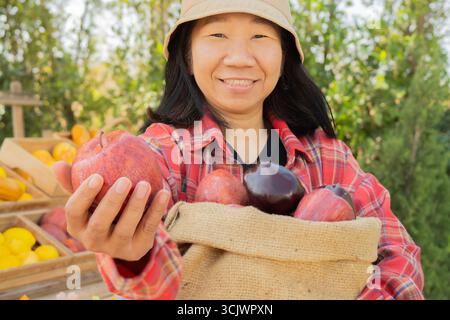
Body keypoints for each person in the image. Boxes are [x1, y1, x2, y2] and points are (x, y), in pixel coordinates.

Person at [53, 0, 424, 300]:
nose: (240, 57)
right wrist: (132, 257)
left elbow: (397, 255)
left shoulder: (330, 158)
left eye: (261, 35)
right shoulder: (159, 155)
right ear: (187, 54)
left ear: (284, 56)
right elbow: (155, 288)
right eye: (217, 33)